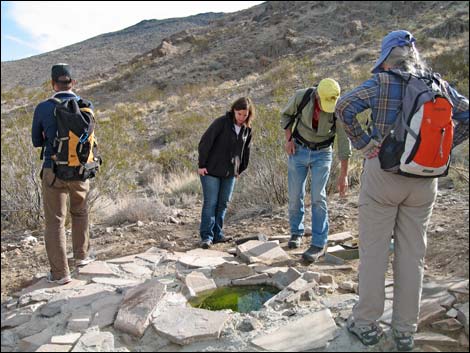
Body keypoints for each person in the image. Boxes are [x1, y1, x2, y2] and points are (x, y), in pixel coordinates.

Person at [335, 30, 469, 351]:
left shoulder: (383, 82)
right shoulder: (438, 85)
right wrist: (443, 150)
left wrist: (365, 143)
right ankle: (405, 331)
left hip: (385, 174)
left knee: (375, 252)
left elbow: (344, 106)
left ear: (386, 57)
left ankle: (366, 324)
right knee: (413, 256)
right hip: (426, 181)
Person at [32, 63, 96, 285]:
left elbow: (36, 141)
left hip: (53, 171)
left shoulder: (43, 108)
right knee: (80, 213)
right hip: (80, 170)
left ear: (52, 84)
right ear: (73, 83)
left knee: (55, 222)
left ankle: (60, 274)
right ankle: (82, 257)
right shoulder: (86, 105)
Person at [280, 78, 351, 262]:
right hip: (299, 149)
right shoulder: (302, 96)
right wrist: (288, 139)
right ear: (317, 95)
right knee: (295, 195)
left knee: (318, 197)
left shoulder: (340, 108)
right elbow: (286, 116)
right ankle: (296, 232)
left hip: (323, 154)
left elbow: (344, 143)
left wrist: (344, 175)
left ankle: (319, 243)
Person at [198, 97, 255, 249]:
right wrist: (201, 164)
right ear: (233, 111)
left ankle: (218, 234)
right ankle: (207, 237)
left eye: (245, 114)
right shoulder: (221, 123)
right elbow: (205, 142)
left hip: (230, 174)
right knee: (211, 203)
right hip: (210, 170)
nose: (242, 117)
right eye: (239, 114)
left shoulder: (247, 130)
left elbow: (246, 152)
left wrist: (239, 169)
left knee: (223, 204)